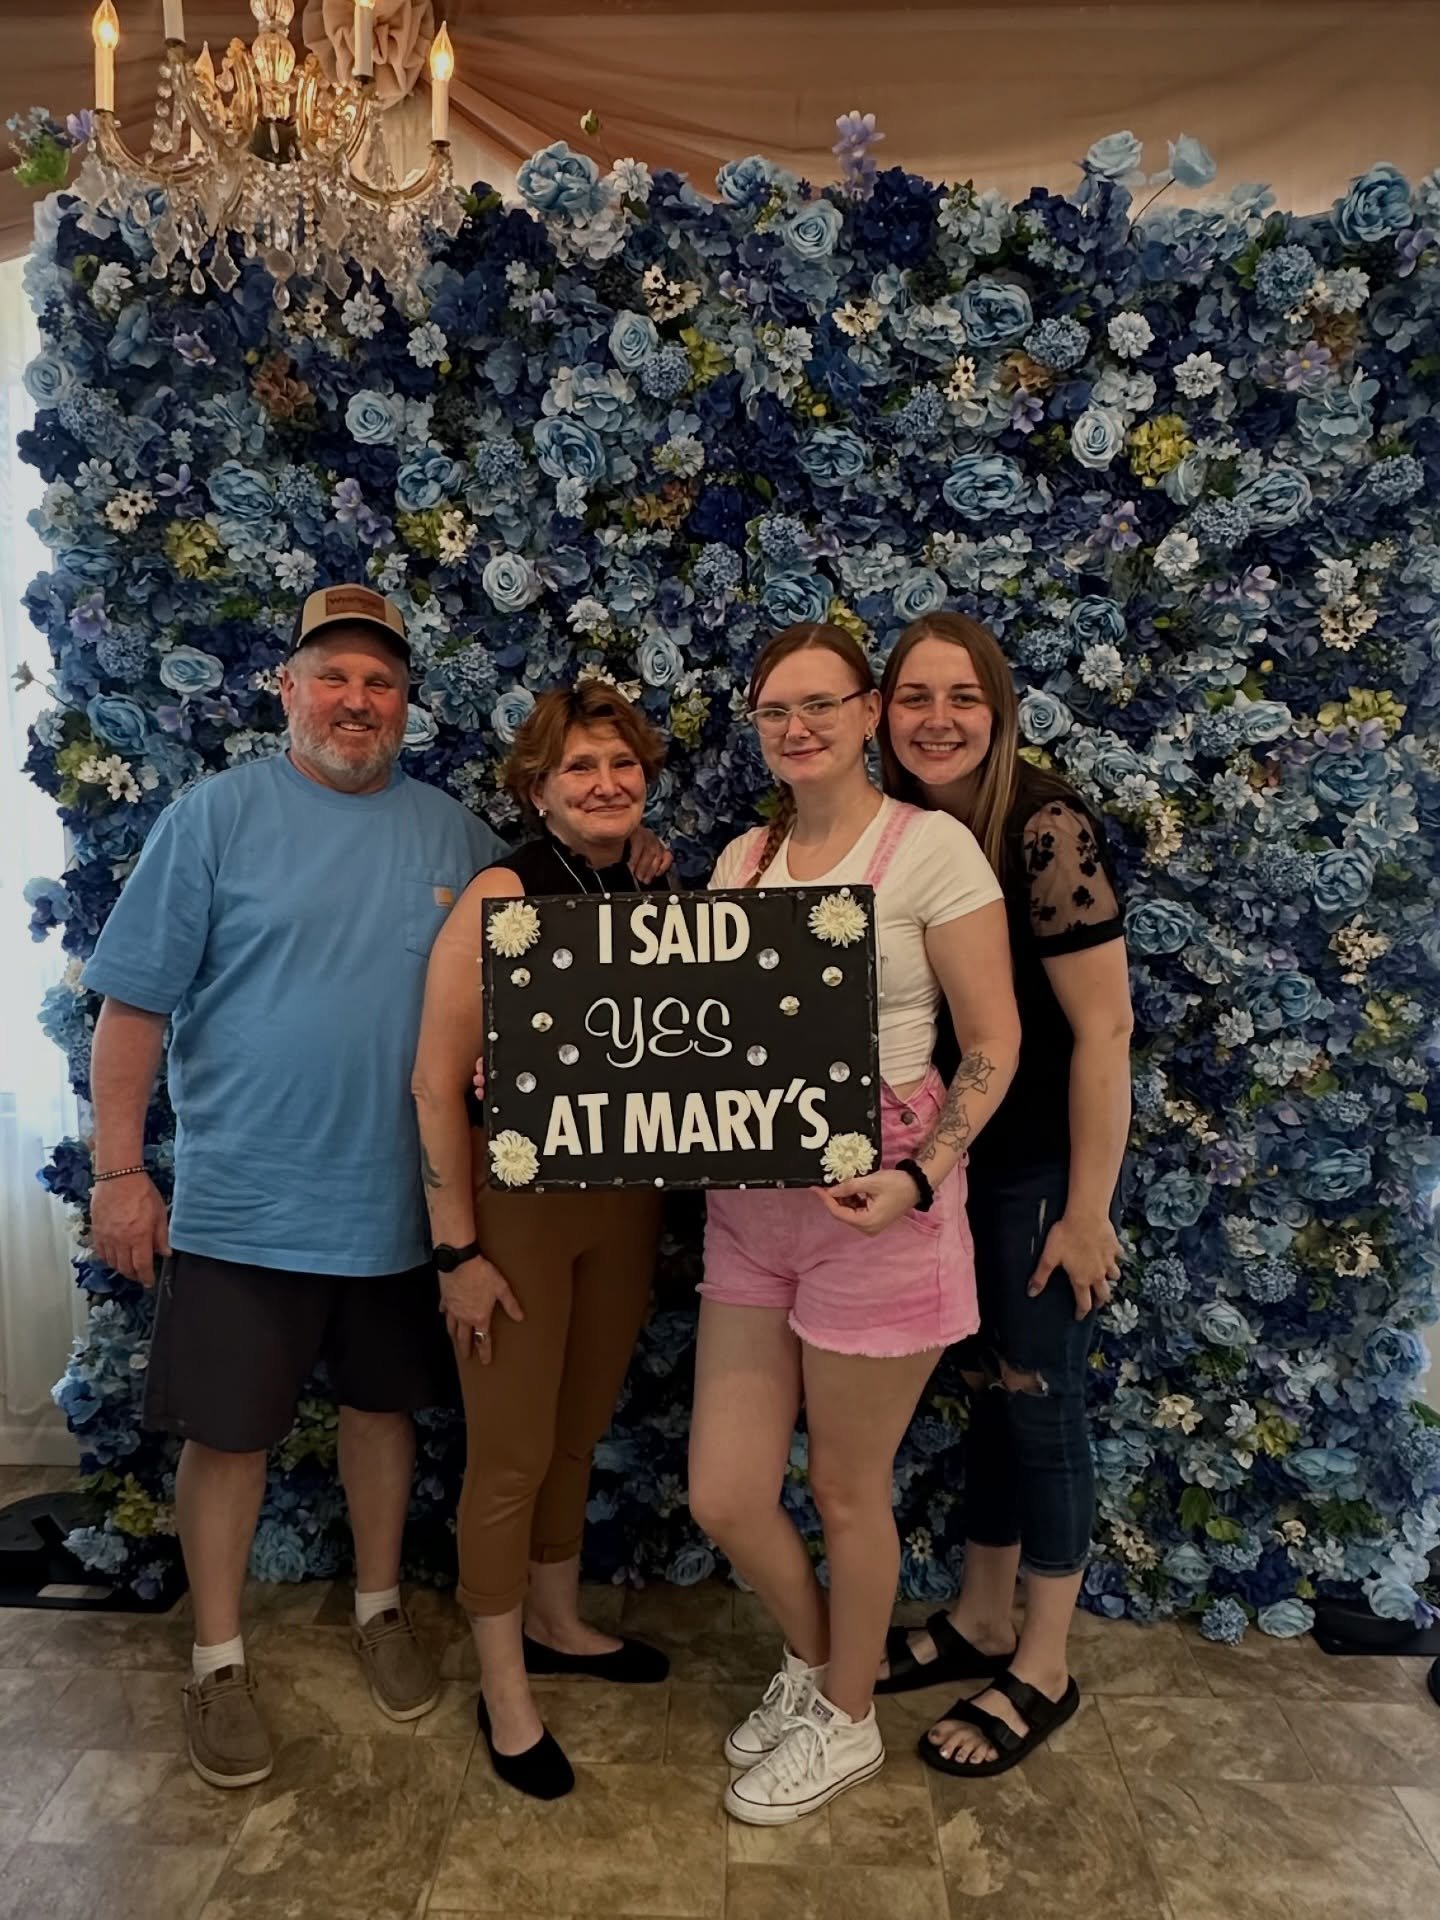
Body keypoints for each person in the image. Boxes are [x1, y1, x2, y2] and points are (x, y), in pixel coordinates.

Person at [83, 584, 508, 1788]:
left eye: (380, 681)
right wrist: (121, 1171)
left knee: (385, 1418)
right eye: (333, 676)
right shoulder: (213, 818)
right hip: (246, 1204)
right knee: (228, 1439)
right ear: (288, 690)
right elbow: (132, 1007)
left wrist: (625, 858)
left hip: (402, 1209)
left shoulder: (455, 837)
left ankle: (379, 1608)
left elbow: (538, 958)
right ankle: (217, 1660)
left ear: (406, 702)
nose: (356, 700)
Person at [688, 622, 1021, 1826]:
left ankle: (846, 1721)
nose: (799, 728)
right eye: (776, 710)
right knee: (726, 1492)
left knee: (844, 1490)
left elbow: (992, 1047)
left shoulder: (930, 851)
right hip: (749, 1211)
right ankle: (823, 1662)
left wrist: (922, 1178)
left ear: (868, 711)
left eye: (820, 704)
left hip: (877, 1209)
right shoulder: (742, 857)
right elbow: (705, 1045)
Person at [874, 611, 1132, 1781]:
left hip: (1029, 1171)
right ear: (883, 714)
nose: (936, 719)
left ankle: (1043, 1661)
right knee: (987, 1390)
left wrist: (1088, 1208)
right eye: (913, 697)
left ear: (998, 707)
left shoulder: (1044, 824)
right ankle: (979, 1619)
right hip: (947, 1168)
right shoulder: (903, 829)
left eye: (960, 698)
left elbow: (1105, 1027)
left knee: (1041, 1401)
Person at [411, 680, 673, 1803]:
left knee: (577, 1434)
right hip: (515, 1217)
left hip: (627, 1207)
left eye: (623, 766)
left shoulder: (659, 889)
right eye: (581, 769)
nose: (606, 784)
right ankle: (503, 1685)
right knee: (511, 1452)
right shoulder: (500, 893)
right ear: (537, 788)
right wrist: (457, 1254)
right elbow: (433, 1084)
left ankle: (561, 1619)